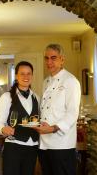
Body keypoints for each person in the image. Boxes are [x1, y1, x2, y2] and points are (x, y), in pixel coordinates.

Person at [33, 44, 81, 175]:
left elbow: (72, 113)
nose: (49, 62)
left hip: (62, 144)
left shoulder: (70, 81)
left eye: (53, 58)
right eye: (46, 58)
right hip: (44, 142)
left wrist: (53, 128)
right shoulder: (46, 82)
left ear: (62, 59)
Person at [0, 61, 39, 175]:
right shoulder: (7, 97)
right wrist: (3, 129)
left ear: (32, 76)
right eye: (22, 73)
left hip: (32, 146)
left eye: (29, 73)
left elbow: (38, 121)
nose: (26, 76)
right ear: (16, 76)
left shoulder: (37, 98)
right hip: (13, 146)